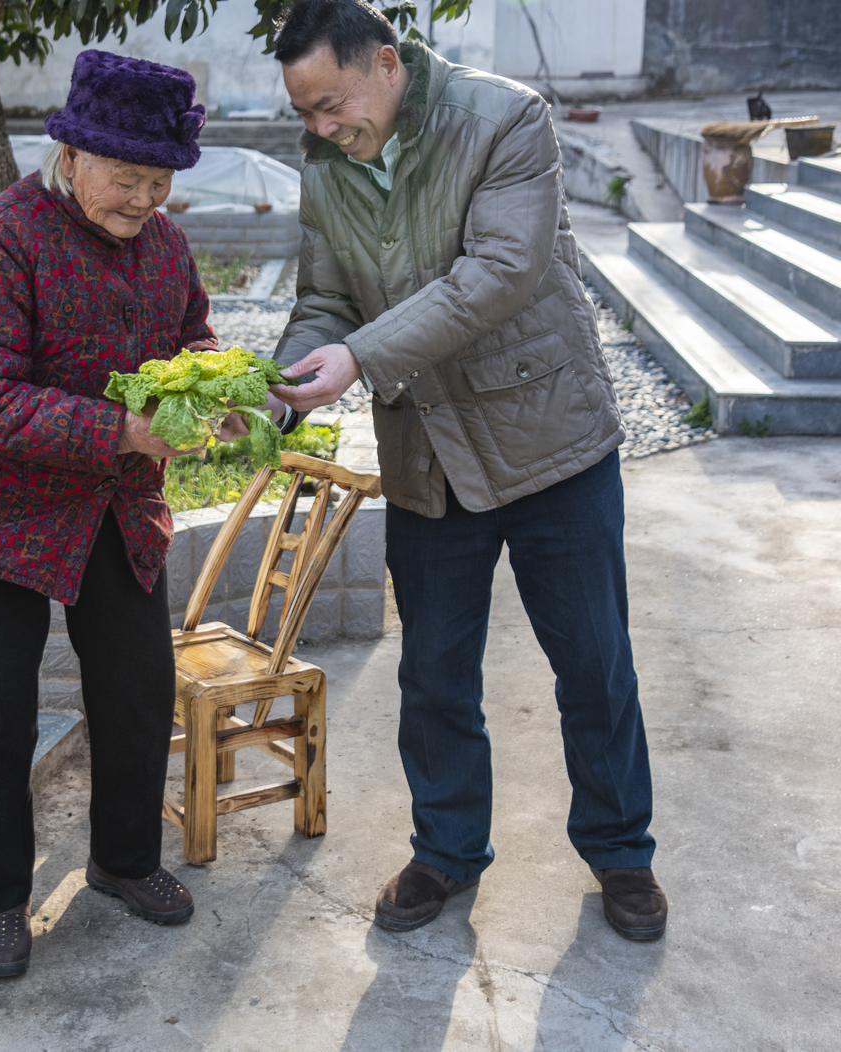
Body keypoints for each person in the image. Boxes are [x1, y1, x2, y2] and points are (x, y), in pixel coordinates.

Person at [265, 0, 668, 941]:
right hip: (428, 456)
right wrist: (285, 382)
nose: (321, 129)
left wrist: (358, 357)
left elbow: (498, 271)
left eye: (331, 103)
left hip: (550, 442)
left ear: (387, 63)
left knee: (594, 666)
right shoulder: (328, 162)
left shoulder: (506, 119)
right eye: (307, 114)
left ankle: (621, 852)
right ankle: (446, 849)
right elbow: (323, 296)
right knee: (436, 674)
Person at [0, 50, 241, 977]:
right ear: (73, 155)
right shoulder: (2, 238)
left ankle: (123, 862)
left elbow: (190, 334)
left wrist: (215, 387)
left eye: (159, 180)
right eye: (126, 178)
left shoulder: (164, 243)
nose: (143, 199)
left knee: (136, 691)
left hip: (110, 507)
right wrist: (122, 429)